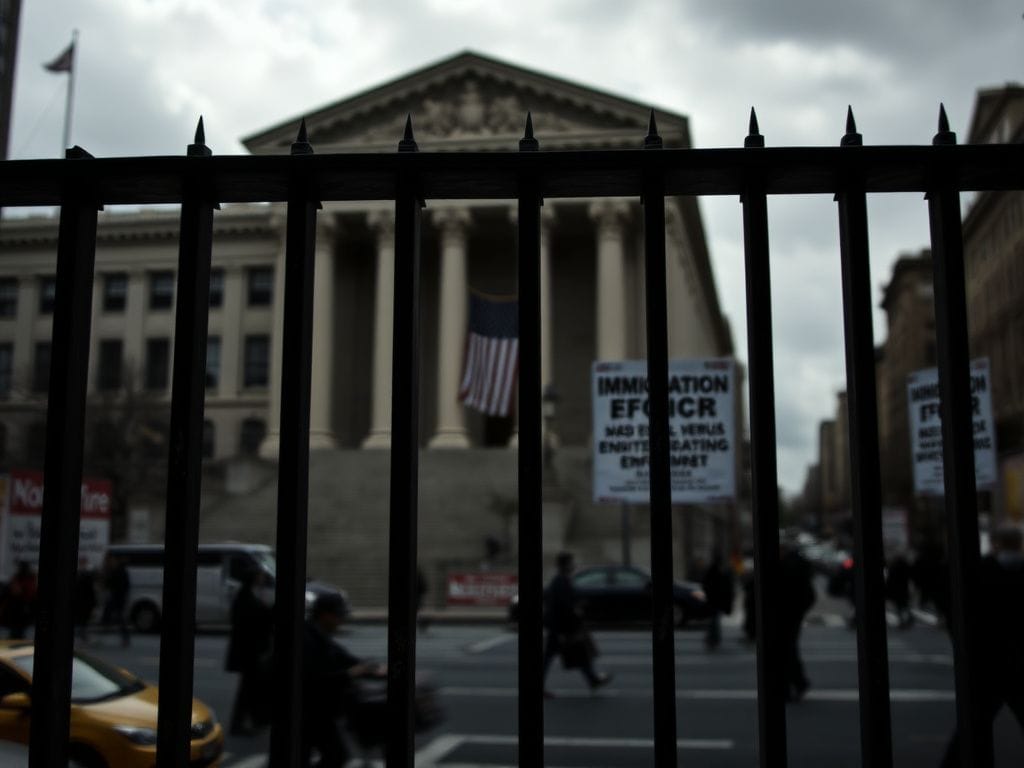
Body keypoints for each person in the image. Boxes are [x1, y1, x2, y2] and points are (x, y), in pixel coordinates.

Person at [940, 525, 1024, 767]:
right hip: (1020, 660)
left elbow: (963, 612)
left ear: (996, 544)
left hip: (989, 661)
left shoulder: (982, 571)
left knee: (973, 726)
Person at [302, 592, 385, 767]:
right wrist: (351, 673)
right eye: (339, 616)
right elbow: (313, 679)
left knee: (330, 755)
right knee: (334, 755)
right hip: (306, 710)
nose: (342, 621)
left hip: (319, 709)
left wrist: (370, 668)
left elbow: (343, 657)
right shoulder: (306, 638)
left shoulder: (319, 634)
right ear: (325, 615)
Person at [541, 551, 612, 698]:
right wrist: (576, 611)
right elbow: (563, 606)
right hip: (561, 628)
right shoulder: (560, 581)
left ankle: (593, 680)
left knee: (579, 653)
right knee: (555, 656)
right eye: (572, 562)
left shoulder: (561, 580)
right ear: (566, 564)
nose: (574, 565)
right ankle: (593, 680)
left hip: (561, 627)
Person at [225, 566, 274, 736]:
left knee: (253, 688)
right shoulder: (246, 596)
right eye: (259, 575)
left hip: (250, 652)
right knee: (248, 689)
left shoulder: (247, 594)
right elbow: (257, 618)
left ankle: (257, 719)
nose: (262, 578)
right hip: (250, 653)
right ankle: (241, 724)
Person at [779, 540, 816, 702]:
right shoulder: (796, 564)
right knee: (789, 648)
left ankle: (794, 684)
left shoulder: (788, 566)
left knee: (786, 649)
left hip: (787, 612)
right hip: (793, 612)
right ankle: (796, 683)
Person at [701, 550, 735, 650]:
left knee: (714, 620)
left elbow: (706, 585)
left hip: (713, 600)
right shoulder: (719, 571)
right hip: (715, 601)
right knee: (714, 621)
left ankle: (712, 639)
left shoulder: (713, 571)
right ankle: (713, 639)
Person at [102, 553, 131, 647]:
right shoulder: (118, 570)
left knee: (119, 618)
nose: (110, 562)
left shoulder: (119, 571)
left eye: (111, 560)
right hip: (116, 597)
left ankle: (125, 638)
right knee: (113, 615)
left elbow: (110, 583)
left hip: (117, 598)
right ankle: (124, 637)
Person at [4, 561, 37, 639]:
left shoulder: (30, 579)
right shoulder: (17, 578)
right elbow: (13, 591)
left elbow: (31, 592)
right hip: (16, 611)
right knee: (16, 631)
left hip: (26, 609)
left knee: (22, 631)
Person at [885, 551, 914, 629]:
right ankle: (907, 619)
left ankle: (903, 620)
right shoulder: (904, 566)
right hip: (902, 589)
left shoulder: (894, 567)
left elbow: (890, 580)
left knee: (900, 606)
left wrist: (887, 589)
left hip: (897, 589)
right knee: (903, 605)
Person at [74, 557, 98, 643]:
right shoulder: (83, 574)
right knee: (82, 620)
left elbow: (90, 591)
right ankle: (82, 635)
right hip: (83, 602)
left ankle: (81, 635)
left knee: (82, 620)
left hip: (84, 602)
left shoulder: (84, 575)